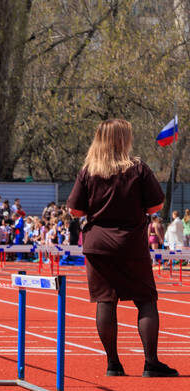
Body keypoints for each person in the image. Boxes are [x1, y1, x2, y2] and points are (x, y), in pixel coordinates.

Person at [67, 118, 177, 377]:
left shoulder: (88, 171)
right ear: (122, 140)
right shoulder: (138, 169)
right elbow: (156, 206)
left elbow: (75, 210)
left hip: (98, 244)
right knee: (146, 300)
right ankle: (151, 363)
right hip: (130, 243)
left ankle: (113, 364)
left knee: (105, 301)